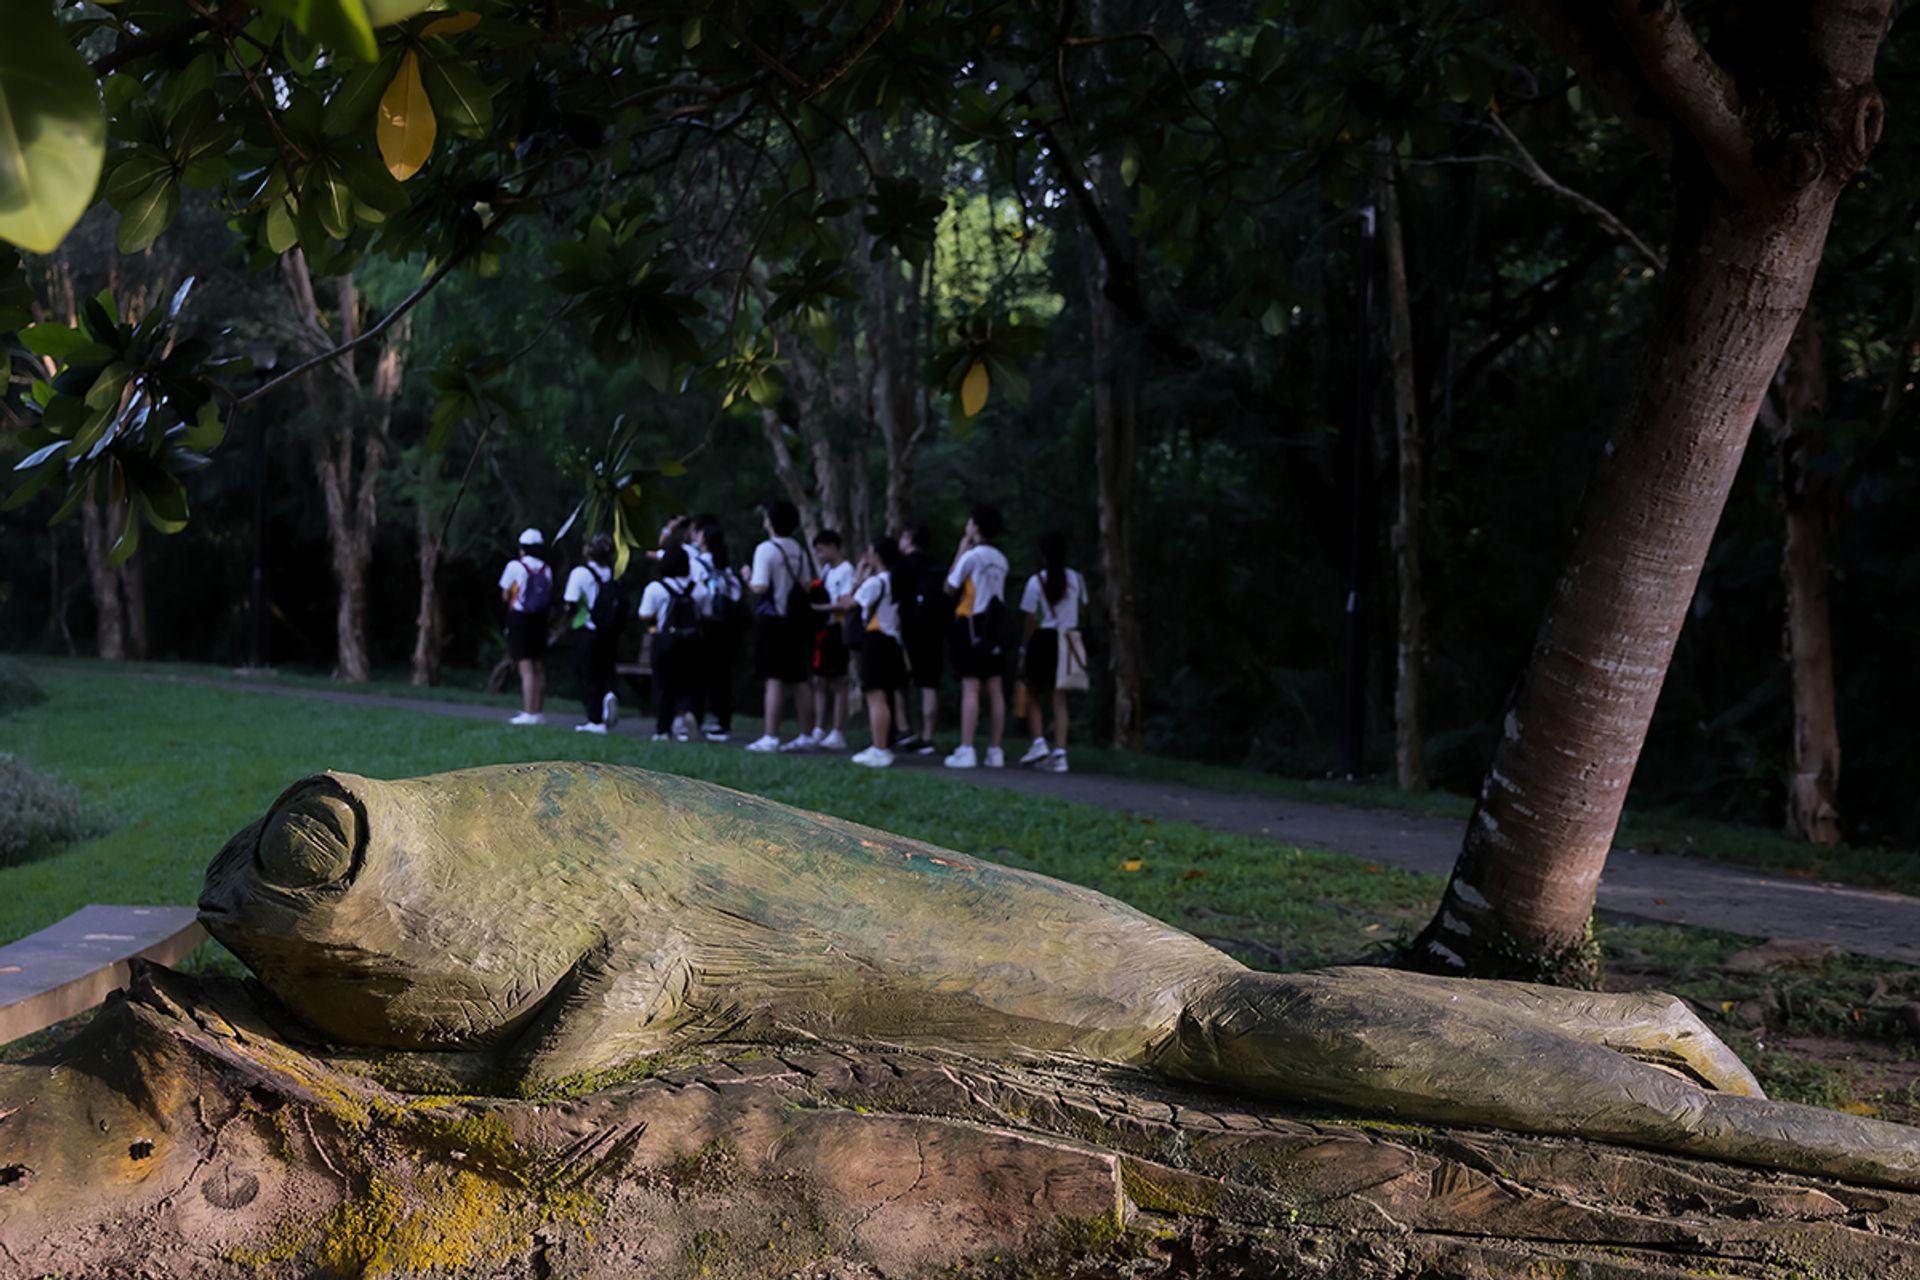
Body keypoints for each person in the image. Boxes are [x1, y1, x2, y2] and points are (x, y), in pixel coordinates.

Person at [745, 500, 816, 752]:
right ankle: (808, 734)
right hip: (795, 620)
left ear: (771, 522)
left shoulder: (766, 549)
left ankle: (771, 736)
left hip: (772, 619)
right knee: (799, 678)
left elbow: (760, 586)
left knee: (773, 677)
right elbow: (808, 585)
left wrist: (747, 577)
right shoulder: (798, 548)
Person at [943, 504, 1010, 769]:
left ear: (976, 527)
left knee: (971, 687)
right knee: (995, 688)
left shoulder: (972, 557)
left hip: (971, 623)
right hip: (996, 626)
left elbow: (949, 587)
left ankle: (967, 748)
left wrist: (961, 551)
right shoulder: (1001, 559)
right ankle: (995, 750)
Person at [1017, 531, 1090, 773]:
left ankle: (1039, 742)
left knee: (1033, 693)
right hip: (1069, 639)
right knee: (1060, 698)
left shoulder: (1036, 581)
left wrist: (1024, 648)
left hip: (1044, 639)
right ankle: (1060, 753)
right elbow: (1084, 609)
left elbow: (1030, 618)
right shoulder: (1077, 579)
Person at [636, 545, 708, 741]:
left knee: (663, 685)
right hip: (692, 642)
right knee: (690, 683)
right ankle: (689, 713)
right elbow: (706, 614)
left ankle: (663, 730)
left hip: (665, 641)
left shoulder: (656, 588)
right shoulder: (699, 589)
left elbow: (645, 614)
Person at [850, 538, 909, 769]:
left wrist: (860, 575)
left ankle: (879, 748)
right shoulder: (897, 580)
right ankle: (884, 744)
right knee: (886, 695)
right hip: (892, 641)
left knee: (875, 697)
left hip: (875, 640)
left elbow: (850, 602)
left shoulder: (876, 582)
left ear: (877, 556)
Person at [893, 522, 949, 755]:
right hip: (933, 631)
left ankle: (903, 728)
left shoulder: (901, 565)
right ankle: (927, 736)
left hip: (905, 630)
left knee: (896, 682)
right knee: (929, 685)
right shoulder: (938, 567)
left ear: (907, 538)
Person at [689, 515, 745, 742]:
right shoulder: (726, 566)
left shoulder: (698, 563)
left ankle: (697, 719)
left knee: (700, 675)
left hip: (706, 624)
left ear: (703, 538)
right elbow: (737, 594)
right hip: (727, 627)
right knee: (723, 676)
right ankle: (723, 721)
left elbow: (696, 593)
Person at [563, 532, 624, 734]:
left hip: (587, 629)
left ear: (588, 551)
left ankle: (595, 720)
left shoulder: (580, 573)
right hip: (609, 632)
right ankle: (609, 694)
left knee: (588, 674)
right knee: (606, 670)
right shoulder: (613, 573)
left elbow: (570, 603)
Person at [498, 527, 554, 725]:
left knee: (526, 666)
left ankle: (528, 712)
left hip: (521, 619)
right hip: (540, 620)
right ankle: (537, 711)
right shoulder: (546, 569)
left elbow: (506, 594)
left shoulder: (516, 566)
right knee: (539, 666)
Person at [807, 529, 855, 751]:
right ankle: (818, 727)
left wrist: (817, 608)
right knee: (819, 680)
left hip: (836, 629)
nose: (819, 554)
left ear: (833, 547)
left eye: (821, 549)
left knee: (838, 681)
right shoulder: (826, 571)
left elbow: (845, 602)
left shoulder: (846, 570)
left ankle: (837, 730)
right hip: (821, 631)